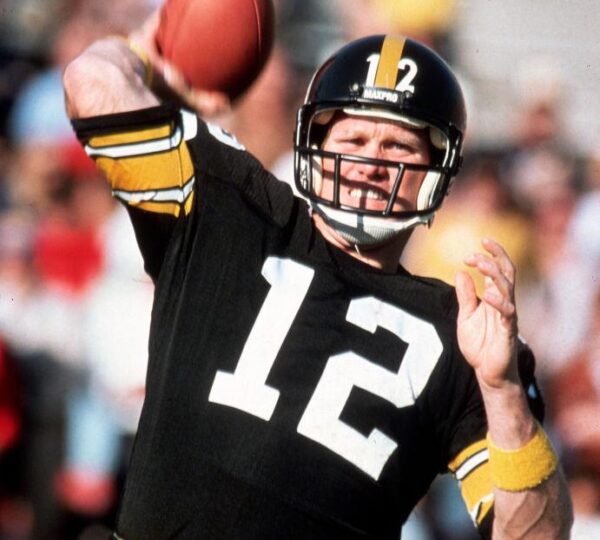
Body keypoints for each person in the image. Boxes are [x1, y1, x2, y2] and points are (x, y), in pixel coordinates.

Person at [61, 10, 572, 539]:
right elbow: (91, 83)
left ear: (438, 171)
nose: (371, 164)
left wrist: (502, 391)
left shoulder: (463, 336)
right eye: (354, 139)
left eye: (398, 146)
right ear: (315, 144)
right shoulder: (230, 207)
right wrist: (147, 54)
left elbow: (535, 536)